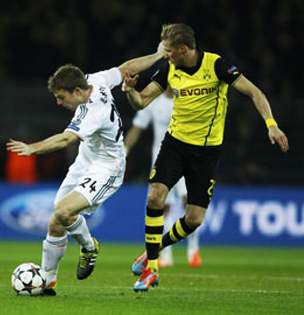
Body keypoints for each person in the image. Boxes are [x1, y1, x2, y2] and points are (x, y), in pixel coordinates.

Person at [122, 23, 289, 292]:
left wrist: (271, 123)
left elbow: (254, 92)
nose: (165, 56)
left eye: (169, 51)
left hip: (207, 152)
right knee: (155, 196)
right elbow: (141, 102)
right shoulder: (168, 68)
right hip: (175, 144)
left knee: (194, 219)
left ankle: (154, 248)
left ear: (183, 48)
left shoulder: (217, 66)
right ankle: (152, 268)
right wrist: (130, 91)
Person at [6, 47, 165, 296]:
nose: (59, 103)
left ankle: (89, 247)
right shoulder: (95, 79)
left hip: (107, 168)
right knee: (56, 221)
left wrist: (32, 148)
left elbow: (64, 140)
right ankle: (48, 280)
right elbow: (127, 68)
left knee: (62, 211)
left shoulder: (93, 112)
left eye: (61, 97)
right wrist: (157, 56)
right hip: (85, 162)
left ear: (77, 92)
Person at [124, 88, 201, 268]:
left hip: (185, 160)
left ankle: (193, 250)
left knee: (189, 203)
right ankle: (165, 255)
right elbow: (137, 128)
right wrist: (123, 152)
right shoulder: (154, 102)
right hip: (160, 162)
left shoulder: (186, 99)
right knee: (161, 207)